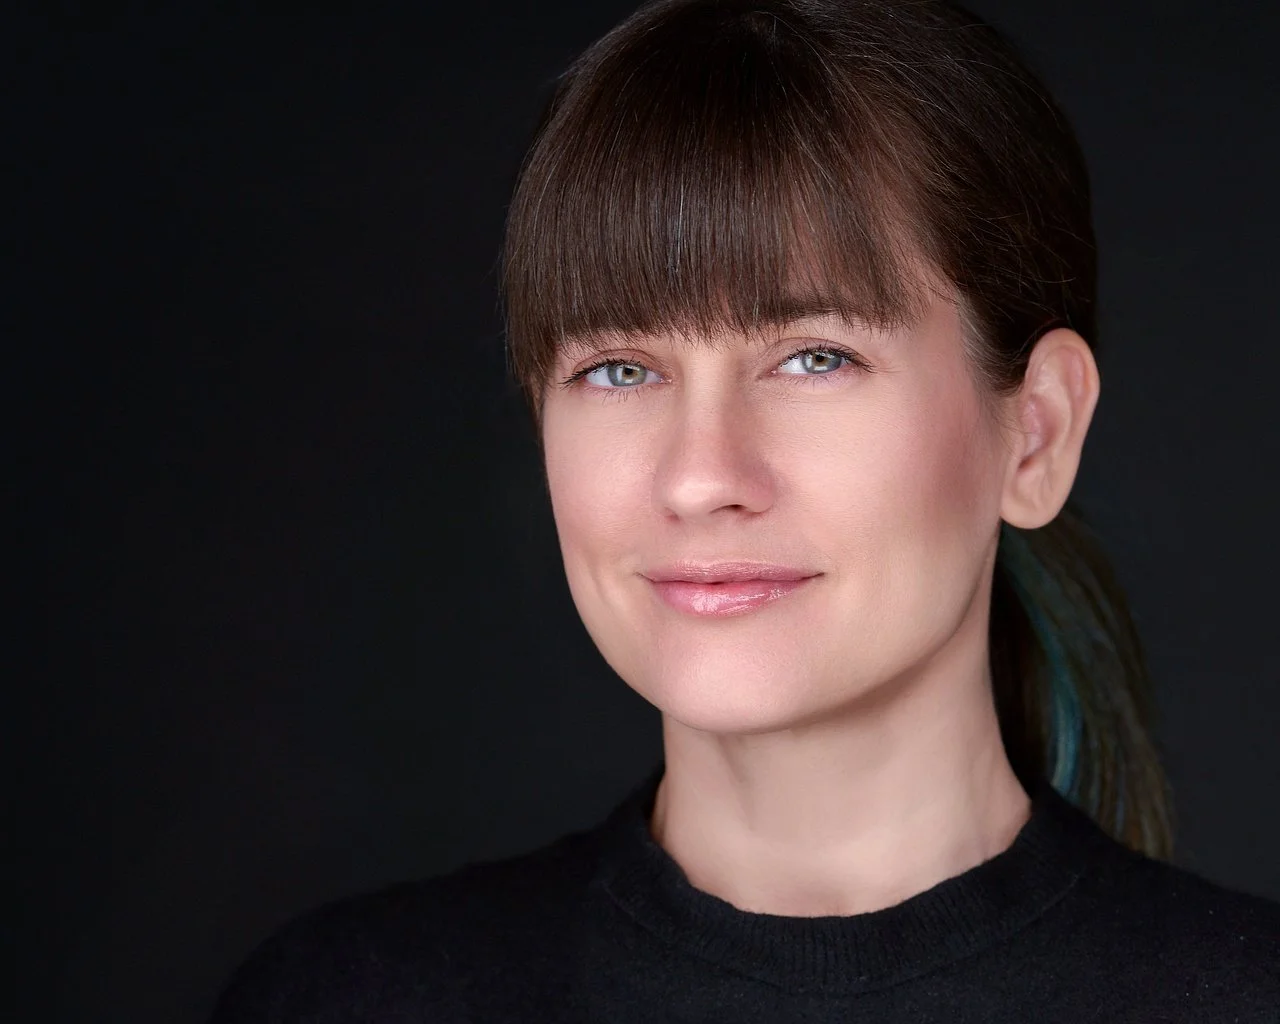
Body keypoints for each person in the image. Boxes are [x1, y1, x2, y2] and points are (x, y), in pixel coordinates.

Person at [209, 0, 1280, 1019]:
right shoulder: (348, 1001)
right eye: (619, 369)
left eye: (814, 357)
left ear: (1034, 432)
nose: (698, 474)